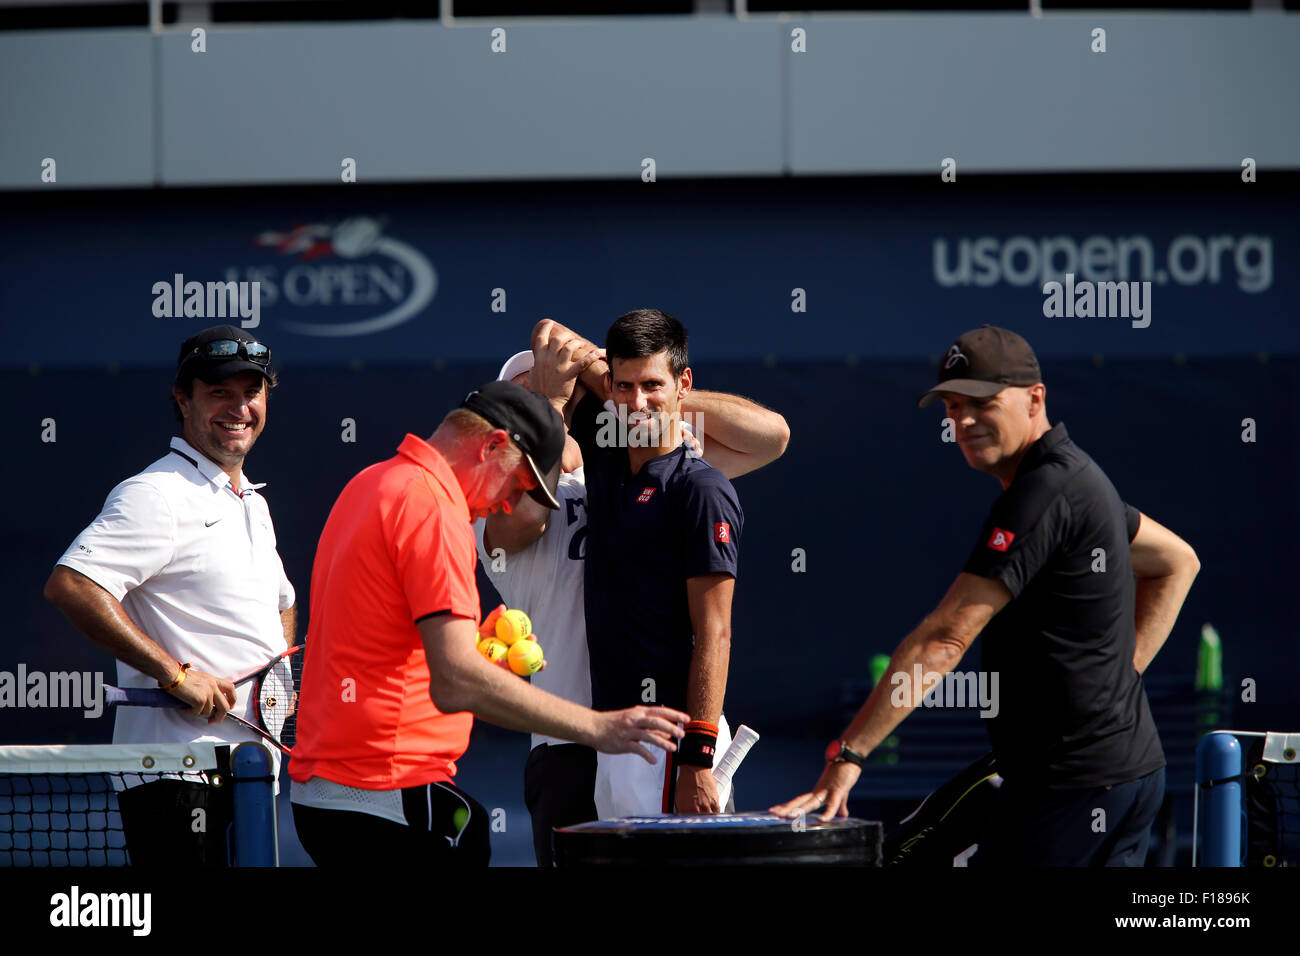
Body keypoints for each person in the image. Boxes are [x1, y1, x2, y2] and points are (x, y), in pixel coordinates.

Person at [772, 325, 1200, 867]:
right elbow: (1177, 560)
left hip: (1071, 787)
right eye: (951, 407)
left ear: (1034, 398)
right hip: (1124, 776)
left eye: (982, 402)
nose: (963, 421)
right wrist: (1118, 677)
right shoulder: (1077, 482)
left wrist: (849, 755)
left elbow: (948, 636)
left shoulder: (1042, 494)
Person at [288, 380, 688, 867]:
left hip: (331, 796)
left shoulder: (372, 480)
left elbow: (384, 639)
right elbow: (455, 682)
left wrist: (471, 646)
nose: (507, 505)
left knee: (468, 824)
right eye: (518, 484)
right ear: (494, 445)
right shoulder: (435, 510)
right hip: (383, 794)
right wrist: (597, 727)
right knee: (468, 829)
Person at [480, 328, 789, 862]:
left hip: (651, 730)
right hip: (565, 741)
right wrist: (549, 403)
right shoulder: (498, 497)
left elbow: (771, 435)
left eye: (571, 391)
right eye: (523, 402)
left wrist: (621, 379)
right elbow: (527, 516)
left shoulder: (633, 465)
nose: (569, 396)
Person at [44, 325, 296, 866]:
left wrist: (275, 680)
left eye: (252, 393)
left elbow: (283, 600)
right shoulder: (154, 494)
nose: (239, 408)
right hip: (177, 774)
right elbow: (73, 585)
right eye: (219, 392)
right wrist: (176, 675)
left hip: (251, 769)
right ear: (183, 399)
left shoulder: (251, 502)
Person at [523, 312, 751, 819]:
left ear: (683, 385)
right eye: (624, 387)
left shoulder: (702, 489)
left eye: (653, 385)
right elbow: (548, 331)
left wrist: (697, 759)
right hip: (618, 739)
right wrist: (590, 365)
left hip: (671, 743)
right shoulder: (604, 460)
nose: (638, 402)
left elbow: (715, 634)